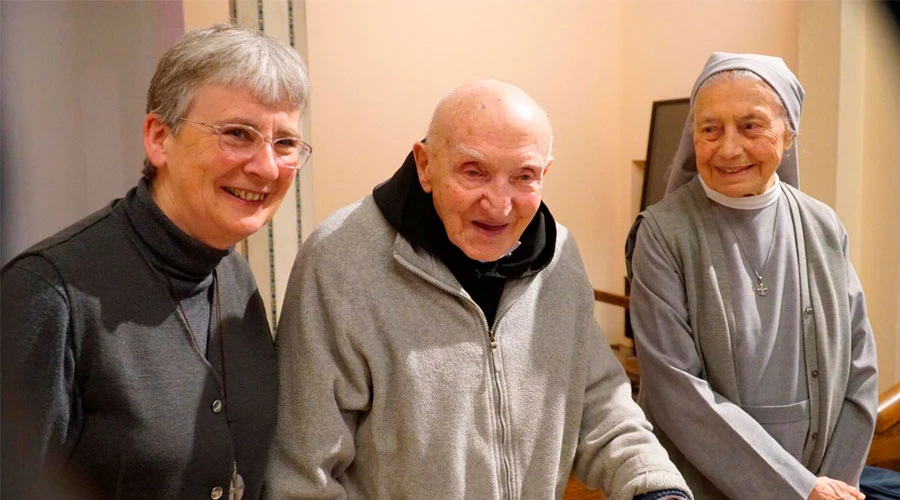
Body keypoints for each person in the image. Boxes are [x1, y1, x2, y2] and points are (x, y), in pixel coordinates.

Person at [267, 80, 691, 500]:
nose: (499, 204)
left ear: (545, 173)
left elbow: (596, 402)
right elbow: (303, 475)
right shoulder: (340, 261)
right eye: (474, 172)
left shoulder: (558, 255)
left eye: (524, 176)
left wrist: (654, 485)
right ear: (425, 164)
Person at [0, 24, 311, 500]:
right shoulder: (47, 295)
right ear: (159, 138)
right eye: (237, 134)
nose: (266, 167)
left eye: (285, 143)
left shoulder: (237, 278)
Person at [626, 52, 879, 499]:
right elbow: (675, 389)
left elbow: (859, 368)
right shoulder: (663, 233)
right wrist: (798, 489)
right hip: (699, 481)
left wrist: (833, 484)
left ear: (788, 132)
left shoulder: (823, 226)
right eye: (710, 128)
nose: (728, 148)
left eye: (750, 126)